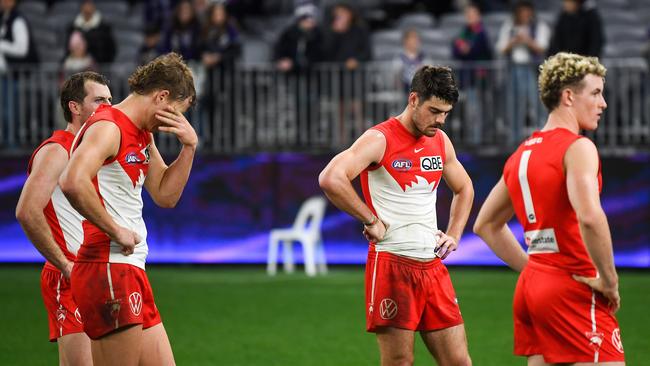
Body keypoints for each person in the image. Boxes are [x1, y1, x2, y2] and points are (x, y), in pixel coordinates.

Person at [473, 52, 625, 365]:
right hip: (574, 287)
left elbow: (485, 225)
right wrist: (609, 280)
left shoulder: (520, 154)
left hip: (532, 289)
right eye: (595, 93)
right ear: (568, 96)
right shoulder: (578, 147)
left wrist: (534, 270)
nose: (603, 103)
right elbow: (591, 217)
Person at [319, 65, 474, 366]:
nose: (441, 121)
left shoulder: (440, 142)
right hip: (392, 264)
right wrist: (370, 220)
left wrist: (454, 234)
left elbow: (464, 187)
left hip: (432, 266)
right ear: (414, 98)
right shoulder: (379, 138)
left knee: (459, 362)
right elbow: (331, 178)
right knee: (400, 363)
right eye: (434, 111)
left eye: (446, 113)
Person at [59, 52, 197, 365]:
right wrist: (115, 228)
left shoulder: (141, 133)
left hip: (129, 268)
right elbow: (71, 180)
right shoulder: (109, 127)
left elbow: (165, 195)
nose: (175, 121)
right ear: (162, 96)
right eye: (176, 112)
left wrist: (189, 147)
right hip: (107, 266)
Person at [15, 71, 112, 366]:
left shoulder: (94, 150)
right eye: (99, 100)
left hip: (97, 274)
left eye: (110, 99)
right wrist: (66, 265)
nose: (108, 107)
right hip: (70, 276)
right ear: (74, 106)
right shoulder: (58, 149)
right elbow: (27, 211)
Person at [495, 0, 550, 143]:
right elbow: (500, 48)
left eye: (527, 12)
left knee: (537, 104)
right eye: (522, 12)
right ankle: (514, 139)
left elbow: (543, 47)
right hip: (513, 69)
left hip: (532, 69)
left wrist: (527, 41)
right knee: (513, 105)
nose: (525, 15)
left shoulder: (539, 26)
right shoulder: (509, 26)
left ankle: (543, 137)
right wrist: (513, 41)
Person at [66, 0, 117, 64]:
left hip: (99, 66)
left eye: (89, 5)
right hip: (77, 64)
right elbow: (68, 49)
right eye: (85, 5)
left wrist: (105, 64)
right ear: (81, 7)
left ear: (94, 7)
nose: (87, 8)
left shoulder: (104, 27)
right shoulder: (73, 27)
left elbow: (111, 48)